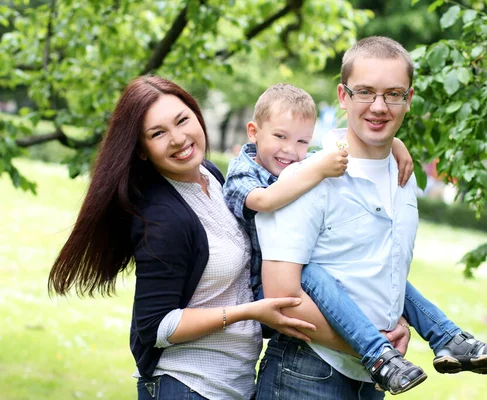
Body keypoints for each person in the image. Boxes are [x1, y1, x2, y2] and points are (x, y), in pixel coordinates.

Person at [254, 36, 487, 400]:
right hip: (306, 373)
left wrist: (395, 321)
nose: (379, 106)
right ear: (343, 97)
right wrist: (373, 343)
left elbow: (377, 271)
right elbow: (281, 298)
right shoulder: (308, 178)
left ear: (409, 98)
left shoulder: (403, 175)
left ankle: (449, 338)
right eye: (365, 92)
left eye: (393, 94)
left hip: (374, 380)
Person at [47, 76, 317, 400]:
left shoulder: (211, 177)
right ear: (143, 150)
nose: (177, 138)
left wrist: (394, 148)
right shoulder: (163, 218)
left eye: (182, 120)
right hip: (187, 386)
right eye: (158, 133)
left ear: (196, 115)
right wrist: (250, 312)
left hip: (231, 385)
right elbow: (156, 326)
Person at [223, 83, 427, 395]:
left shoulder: (300, 165)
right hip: (264, 289)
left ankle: (444, 335)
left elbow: (348, 145)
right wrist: (317, 170)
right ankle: (377, 351)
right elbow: (264, 201)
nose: (291, 150)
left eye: (303, 141)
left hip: (307, 282)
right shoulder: (243, 172)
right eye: (280, 136)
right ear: (253, 132)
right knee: (316, 272)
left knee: (389, 271)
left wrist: (394, 144)